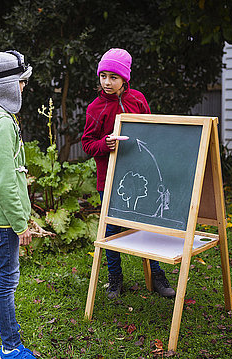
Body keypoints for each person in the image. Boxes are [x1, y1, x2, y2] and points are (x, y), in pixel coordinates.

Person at [81, 48, 176, 300]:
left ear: (125, 79)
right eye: (103, 77)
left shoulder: (138, 100)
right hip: (110, 179)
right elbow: (87, 144)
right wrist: (105, 144)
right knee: (112, 229)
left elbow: (152, 131)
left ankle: (157, 275)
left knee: (147, 225)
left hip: (143, 175)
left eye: (113, 77)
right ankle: (115, 279)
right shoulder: (96, 107)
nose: (107, 82)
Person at [0, 50, 45, 359]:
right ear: (6, 86)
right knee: (8, 278)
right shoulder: (2, 123)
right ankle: (11, 347)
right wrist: (21, 224)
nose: (24, 88)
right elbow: (4, 180)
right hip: (5, 216)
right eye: (21, 82)